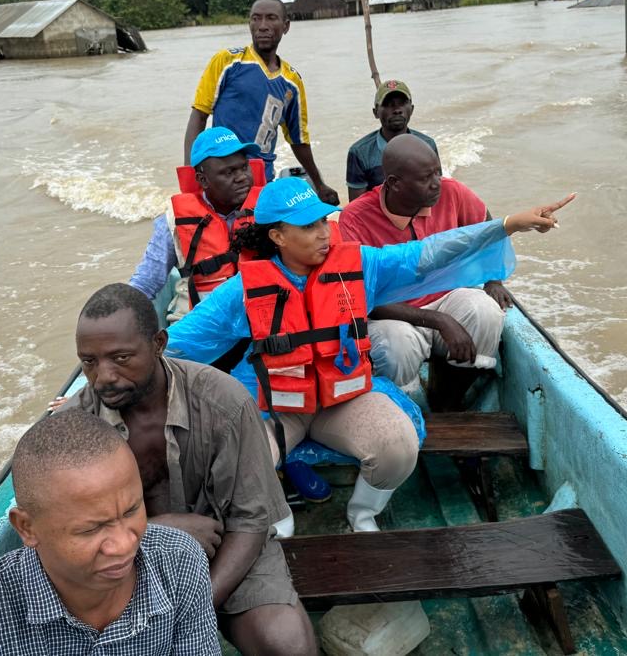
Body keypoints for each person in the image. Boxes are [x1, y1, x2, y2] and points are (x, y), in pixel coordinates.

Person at [165, 176, 573, 533]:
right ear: (277, 237)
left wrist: (508, 225)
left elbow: (428, 253)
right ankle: (276, 518)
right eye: (308, 226)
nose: (325, 233)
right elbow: (179, 343)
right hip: (274, 404)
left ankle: (362, 514)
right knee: (232, 465)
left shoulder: (360, 265)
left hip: (343, 397)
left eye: (325, 220)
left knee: (398, 445)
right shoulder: (243, 291)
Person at [60, 283, 317, 656]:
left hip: (225, 546)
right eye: (89, 362)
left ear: (159, 343)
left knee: (288, 645)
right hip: (121, 557)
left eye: (121, 358)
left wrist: (196, 606)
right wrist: (155, 530)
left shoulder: (224, 403)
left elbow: (250, 520)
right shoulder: (74, 427)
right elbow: (64, 535)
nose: (104, 377)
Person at [0, 409, 220, 655]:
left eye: (132, 510)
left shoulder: (180, 562)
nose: (124, 545)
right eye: (92, 528)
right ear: (27, 527)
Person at [339, 134, 516, 404]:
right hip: (391, 312)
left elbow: (486, 228)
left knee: (485, 312)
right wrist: (441, 322)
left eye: (438, 172)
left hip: (445, 297)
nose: (437, 184)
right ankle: (409, 409)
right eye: (426, 178)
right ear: (394, 183)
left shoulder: (451, 191)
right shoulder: (354, 218)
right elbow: (362, 298)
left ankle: (447, 399)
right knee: (394, 346)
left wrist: (493, 279)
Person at [183, 0, 339, 205]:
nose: (262, 26)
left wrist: (320, 184)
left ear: (286, 26)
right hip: (224, 176)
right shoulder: (227, 62)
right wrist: (190, 175)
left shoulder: (292, 81)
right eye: (255, 18)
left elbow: (298, 140)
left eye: (271, 18)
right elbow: (199, 116)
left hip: (262, 176)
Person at [129, 127, 263, 325]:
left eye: (244, 167)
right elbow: (145, 284)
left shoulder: (270, 210)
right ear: (203, 180)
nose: (242, 177)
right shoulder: (173, 221)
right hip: (198, 324)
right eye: (228, 172)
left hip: (259, 319)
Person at [345, 79, 439, 201]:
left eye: (402, 103)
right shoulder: (360, 153)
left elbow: (435, 191)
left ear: (412, 108)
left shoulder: (428, 145)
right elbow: (357, 207)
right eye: (389, 104)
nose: (397, 110)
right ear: (375, 112)